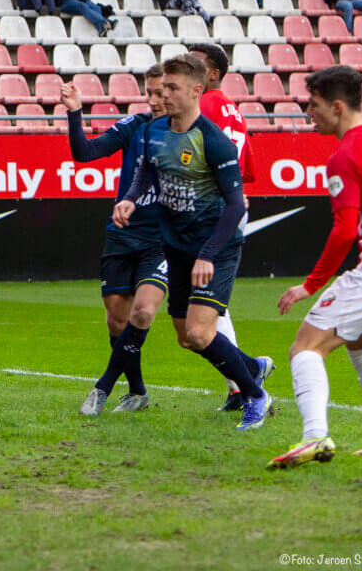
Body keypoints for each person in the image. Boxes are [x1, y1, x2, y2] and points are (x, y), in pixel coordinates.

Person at [113, 54, 275, 431]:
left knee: (202, 332)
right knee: (188, 338)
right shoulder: (156, 131)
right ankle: (252, 367)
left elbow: (236, 205)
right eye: (161, 88)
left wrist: (207, 255)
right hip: (178, 246)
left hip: (215, 245)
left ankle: (254, 395)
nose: (162, 95)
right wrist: (130, 198)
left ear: (196, 90)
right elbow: (147, 174)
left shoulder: (213, 140)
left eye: (171, 88)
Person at [267, 66, 362, 469]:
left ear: (337, 106)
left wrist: (310, 285)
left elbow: (343, 231)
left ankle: (314, 437)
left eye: (314, 105)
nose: (309, 113)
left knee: (305, 348)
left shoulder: (345, 155)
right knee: (358, 340)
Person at [69, 68, 168, 415]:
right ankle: (138, 392)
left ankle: (103, 387)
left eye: (161, 93)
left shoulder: (190, 135)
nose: (155, 100)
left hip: (161, 239)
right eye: (150, 92)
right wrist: (74, 112)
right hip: (122, 234)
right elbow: (84, 153)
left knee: (143, 311)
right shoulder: (134, 125)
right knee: (117, 322)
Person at [188, 42, 258, 407]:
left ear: (212, 73)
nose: (185, 66)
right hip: (228, 206)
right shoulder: (234, 110)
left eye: (194, 63)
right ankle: (241, 382)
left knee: (197, 315)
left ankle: (249, 377)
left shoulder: (208, 105)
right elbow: (247, 168)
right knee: (212, 308)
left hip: (208, 211)